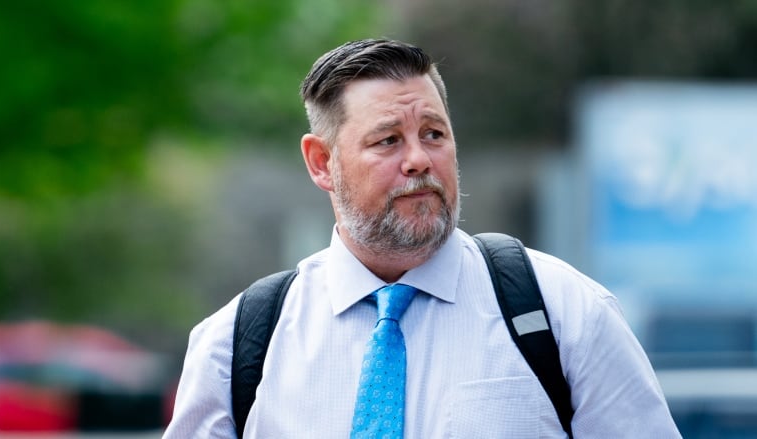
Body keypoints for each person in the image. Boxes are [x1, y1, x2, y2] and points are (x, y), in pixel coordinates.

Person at [163, 38, 681, 438]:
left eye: (433, 134)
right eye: (388, 140)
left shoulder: (564, 314)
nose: (419, 159)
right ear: (322, 163)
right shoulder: (235, 346)